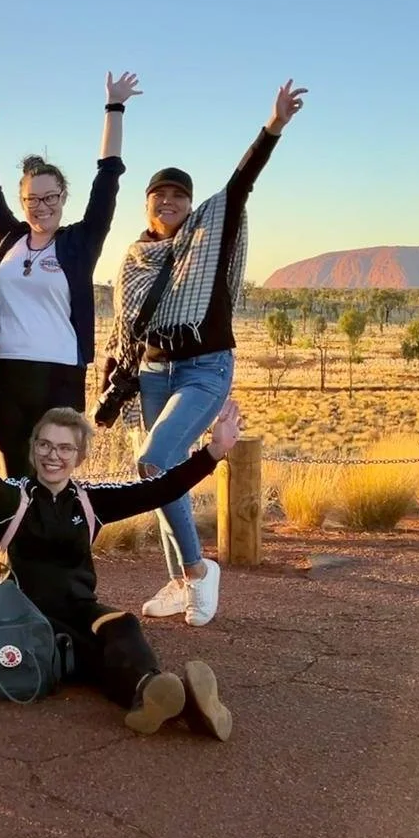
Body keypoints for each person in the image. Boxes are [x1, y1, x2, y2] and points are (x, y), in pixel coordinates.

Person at [108, 80, 308, 629]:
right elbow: (125, 325)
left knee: (152, 461)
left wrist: (273, 126)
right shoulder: (135, 254)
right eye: (159, 195)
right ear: (147, 203)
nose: (168, 201)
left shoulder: (208, 235)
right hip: (151, 370)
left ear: (192, 204)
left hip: (203, 368)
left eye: (178, 195)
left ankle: (197, 570)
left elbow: (241, 183)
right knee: (159, 474)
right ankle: (179, 579)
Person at [0, 381, 241, 740]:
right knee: (92, 652)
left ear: (79, 457)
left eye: (65, 448)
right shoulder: (13, 498)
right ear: (33, 449)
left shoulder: (89, 500)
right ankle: (169, 697)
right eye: (45, 445)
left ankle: (160, 694)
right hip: (25, 618)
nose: (54, 455)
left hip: (80, 609)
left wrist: (212, 453)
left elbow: (158, 489)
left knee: (123, 627)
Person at [0, 71, 138, 478]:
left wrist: (114, 106)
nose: (40, 207)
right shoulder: (11, 239)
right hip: (7, 374)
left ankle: (56, 542)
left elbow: (108, 177)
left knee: (55, 475)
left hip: (60, 376)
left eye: (49, 197)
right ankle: (12, 543)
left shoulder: (80, 242)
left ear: (63, 197)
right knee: (15, 476)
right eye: (31, 199)